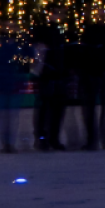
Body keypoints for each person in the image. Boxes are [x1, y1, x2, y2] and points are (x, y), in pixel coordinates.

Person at [74, 12, 105, 150]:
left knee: (102, 107)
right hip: (94, 73)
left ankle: (101, 139)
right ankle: (96, 139)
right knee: (95, 107)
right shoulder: (94, 32)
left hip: (103, 73)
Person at [33, 21, 71, 151]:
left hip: (56, 75)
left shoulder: (57, 35)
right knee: (48, 110)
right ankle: (46, 139)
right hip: (50, 76)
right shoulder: (50, 35)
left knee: (52, 110)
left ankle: (49, 138)